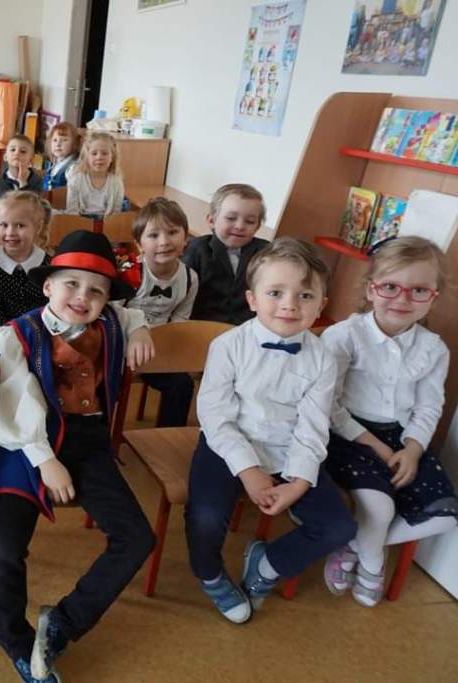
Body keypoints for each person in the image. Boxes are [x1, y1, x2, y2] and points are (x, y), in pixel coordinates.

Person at [0, 231, 157, 682]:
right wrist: (45, 460)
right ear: (47, 286)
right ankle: (16, 641)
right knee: (2, 546)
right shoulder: (15, 336)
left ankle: (62, 622)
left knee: (137, 536)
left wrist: (140, 327)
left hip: (86, 440)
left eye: (97, 290)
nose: (83, 297)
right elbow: (8, 407)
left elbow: (130, 310)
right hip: (23, 443)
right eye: (71, 284)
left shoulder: (112, 322)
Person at [185, 238, 356, 625]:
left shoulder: (322, 358)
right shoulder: (228, 345)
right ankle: (209, 574)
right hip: (228, 443)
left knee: (339, 526)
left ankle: (268, 565)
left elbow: (314, 426)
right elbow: (215, 416)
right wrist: (248, 470)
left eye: (305, 295)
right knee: (206, 516)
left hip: (290, 449)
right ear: (252, 299)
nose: (290, 305)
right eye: (276, 293)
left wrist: (299, 482)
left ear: (321, 305)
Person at [322, 236, 457, 607]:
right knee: (379, 509)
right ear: (371, 289)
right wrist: (376, 446)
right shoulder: (345, 336)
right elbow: (328, 405)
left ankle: (354, 545)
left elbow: (429, 406)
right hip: (348, 436)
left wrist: (412, 450)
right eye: (391, 287)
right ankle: (373, 564)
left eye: (419, 290)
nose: (402, 299)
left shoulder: (434, 348)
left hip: (403, 438)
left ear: (433, 296)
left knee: (445, 516)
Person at [123, 197, 199, 427]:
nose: (164, 242)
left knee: (182, 385)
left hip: (158, 349)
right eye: (154, 235)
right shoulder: (130, 272)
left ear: (185, 239)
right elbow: (114, 311)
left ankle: (168, 436)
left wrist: (168, 349)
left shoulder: (190, 278)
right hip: (123, 345)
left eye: (173, 232)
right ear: (139, 244)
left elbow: (180, 319)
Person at [183, 183, 270, 324]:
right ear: (212, 221)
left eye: (249, 221)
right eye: (231, 218)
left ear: (257, 226)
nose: (240, 226)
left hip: (247, 326)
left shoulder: (265, 252)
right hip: (203, 324)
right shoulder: (198, 248)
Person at [0, 190, 51, 330]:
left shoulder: (48, 264)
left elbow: (50, 308)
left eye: (20, 225)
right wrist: (12, 337)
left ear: (38, 228)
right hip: (2, 334)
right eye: (4, 225)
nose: (10, 232)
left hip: (42, 332)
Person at [64, 131, 124, 219]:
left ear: (112, 157)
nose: (99, 157)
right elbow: (72, 211)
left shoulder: (116, 181)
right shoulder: (76, 179)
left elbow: (116, 212)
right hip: (80, 221)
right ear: (87, 157)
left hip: (106, 223)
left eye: (104, 153)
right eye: (94, 153)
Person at [0, 134, 43, 215]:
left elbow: (35, 210)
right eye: (13, 150)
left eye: (23, 151)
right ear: (5, 157)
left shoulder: (37, 182)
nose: (16, 153)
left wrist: (23, 183)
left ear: (31, 160)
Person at [42, 122, 79, 191]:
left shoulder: (73, 167)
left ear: (74, 143)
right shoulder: (54, 164)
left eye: (64, 140)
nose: (58, 144)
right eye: (55, 140)